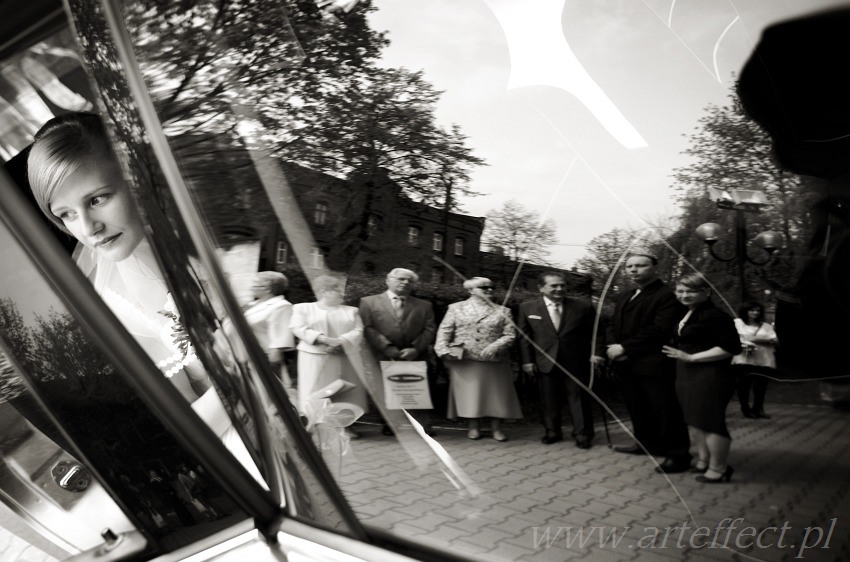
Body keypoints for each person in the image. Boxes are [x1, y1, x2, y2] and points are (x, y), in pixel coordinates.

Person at [27, 112, 262, 485]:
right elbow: (187, 429)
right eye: (67, 214)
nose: (88, 229)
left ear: (135, 180)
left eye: (98, 198)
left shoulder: (214, 238)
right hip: (245, 450)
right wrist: (248, 377)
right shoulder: (114, 299)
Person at [603, 253, 692, 474]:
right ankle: (647, 444)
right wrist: (613, 347)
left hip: (654, 363)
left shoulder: (667, 295)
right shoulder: (626, 295)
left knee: (665, 409)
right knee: (637, 407)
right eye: (630, 266)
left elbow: (660, 329)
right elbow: (613, 325)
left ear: (654, 267)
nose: (634, 270)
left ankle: (678, 456)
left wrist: (625, 348)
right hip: (626, 363)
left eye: (641, 265)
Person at [662, 273, 742, 484]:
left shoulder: (716, 316)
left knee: (710, 421)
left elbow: (731, 347)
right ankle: (704, 460)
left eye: (691, 291)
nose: (684, 295)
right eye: (680, 291)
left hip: (710, 374)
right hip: (688, 373)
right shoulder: (690, 312)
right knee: (695, 419)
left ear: (706, 292)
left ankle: (719, 469)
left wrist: (691, 357)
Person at [517, 271, 601, 448]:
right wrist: (527, 361)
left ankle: (583, 434)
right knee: (548, 399)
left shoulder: (583, 307)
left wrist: (597, 353)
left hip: (576, 361)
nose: (559, 289)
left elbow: (596, 333)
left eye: (562, 285)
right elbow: (524, 337)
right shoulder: (527, 308)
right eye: (554, 285)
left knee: (578, 398)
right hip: (544, 360)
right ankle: (552, 431)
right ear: (541, 287)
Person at [434, 277, 522, 442]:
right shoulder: (455, 308)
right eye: (484, 287)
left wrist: (495, 346)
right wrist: (443, 350)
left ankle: (497, 428)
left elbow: (510, 334)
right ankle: (474, 427)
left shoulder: (503, 310)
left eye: (491, 287)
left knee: (498, 395)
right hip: (465, 360)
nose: (489, 290)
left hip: (494, 360)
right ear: (470, 290)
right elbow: (444, 331)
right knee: (471, 395)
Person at [359, 268, 436, 436]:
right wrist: (387, 348)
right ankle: (390, 423)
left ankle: (423, 425)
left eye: (410, 281)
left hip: (415, 355)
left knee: (417, 389)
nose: (406, 282)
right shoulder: (368, 302)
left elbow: (429, 329)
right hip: (383, 355)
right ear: (388, 280)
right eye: (401, 279)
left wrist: (415, 349)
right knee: (386, 390)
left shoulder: (425, 305)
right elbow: (367, 328)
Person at [289, 275, 369, 432]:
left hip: (346, 356)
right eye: (337, 289)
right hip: (314, 356)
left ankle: (345, 425)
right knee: (316, 388)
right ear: (323, 291)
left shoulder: (352, 311)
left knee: (347, 388)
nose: (342, 293)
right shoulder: (302, 308)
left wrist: (341, 342)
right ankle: (315, 422)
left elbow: (358, 330)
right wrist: (323, 340)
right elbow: (297, 327)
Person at [243, 271, 295, 394]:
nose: (252, 288)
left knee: (269, 393)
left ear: (268, 289)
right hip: (246, 355)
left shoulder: (282, 306)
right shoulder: (253, 304)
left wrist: (273, 361)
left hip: (265, 357)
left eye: (256, 285)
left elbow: (282, 335)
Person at [732, 301, 778, 419]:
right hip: (744, 360)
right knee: (744, 386)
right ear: (745, 311)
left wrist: (754, 338)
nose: (755, 313)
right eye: (752, 310)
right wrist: (764, 339)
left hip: (764, 360)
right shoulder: (738, 323)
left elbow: (775, 340)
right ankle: (745, 409)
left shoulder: (766, 326)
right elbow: (735, 338)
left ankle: (758, 408)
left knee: (761, 386)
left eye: (758, 310)